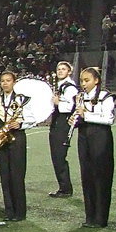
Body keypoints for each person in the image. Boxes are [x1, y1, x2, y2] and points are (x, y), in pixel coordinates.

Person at [0, 72, 42, 222]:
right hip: (1, 139)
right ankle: (9, 210)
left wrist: (20, 123)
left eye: (8, 81)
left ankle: (20, 212)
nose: (5, 83)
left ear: (14, 82)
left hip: (17, 139)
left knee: (17, 176)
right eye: (3, 81)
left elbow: (32, 118)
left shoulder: (22, 99)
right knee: (4, 176)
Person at [73, 68, 115, 228]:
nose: (83, 84)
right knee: (87, 175)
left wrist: (86, 115)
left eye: (87, 80)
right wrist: (75, 120)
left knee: (101, 176)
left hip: (100, 137)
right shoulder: (81, 97)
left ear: (96, 80)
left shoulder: (105, 96)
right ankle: (90, 216)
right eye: (82, 80)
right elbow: (81, 117)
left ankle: (100, 217)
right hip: (84, 137)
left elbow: (108, 118)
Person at [48, 61, 79, 198]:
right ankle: (63, 186)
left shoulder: (69, 87)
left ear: (69, 72)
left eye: (63, 69)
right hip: (57, 122)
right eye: (58, 69)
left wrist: (57, 102)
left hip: (63, 122)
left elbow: (70, 107)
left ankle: (66, 188)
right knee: (56, 156)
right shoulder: (59, 86)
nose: (60, 71)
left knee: (59, 156)